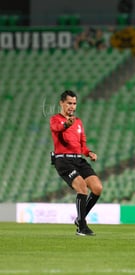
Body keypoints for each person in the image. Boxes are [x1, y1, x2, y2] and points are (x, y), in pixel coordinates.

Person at [50, 90, 103, 236]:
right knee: (82, 187)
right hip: (63, 160)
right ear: (62, 103)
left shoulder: (78, 122)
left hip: (78, 159)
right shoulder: (55, 119)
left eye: (74, 103)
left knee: (97, 188)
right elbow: (57, 128)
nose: (72, 106)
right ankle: (82, 226)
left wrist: (89, 152)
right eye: (69, 103)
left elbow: (82, 145)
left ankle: (80, 218)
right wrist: (66, 124)